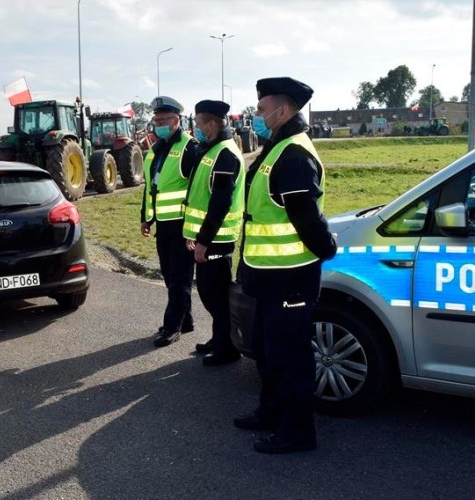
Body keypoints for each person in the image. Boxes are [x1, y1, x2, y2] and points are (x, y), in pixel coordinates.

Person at [233, 77, 337, 454]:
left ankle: (297, 432)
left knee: (290, 356)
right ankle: (272, 411)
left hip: (291, 277)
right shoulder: (276, 146)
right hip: (267, 275)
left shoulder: (293, 154)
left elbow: (306, 217)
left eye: (262, 109)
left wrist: (326, 249)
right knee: (267, 349)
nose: (257, 115)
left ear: (284, 109)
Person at [182, 100, 245, 366]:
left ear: (211, 124)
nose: (195, 128)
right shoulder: (213, 149)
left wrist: (204, 241)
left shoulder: (225, 154)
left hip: (217, 240)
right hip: (209, 238)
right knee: (210, 294)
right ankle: (219, 338)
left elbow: (220, 203)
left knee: (216, 296)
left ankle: (227, 348)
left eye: (198, 123)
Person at [140, 96, 198, 348]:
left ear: (177, 121)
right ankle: (186, 320)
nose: (159, 124)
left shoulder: (189, 147)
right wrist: (146, 217)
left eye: (164, 119)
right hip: (163, 224)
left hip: (182, 224)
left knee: (179, 278)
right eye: (157, 120)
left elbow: (198, 190)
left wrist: (194, 228)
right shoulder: (156, 149)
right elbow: (150, 188)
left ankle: (172, 326)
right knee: (169, 275)